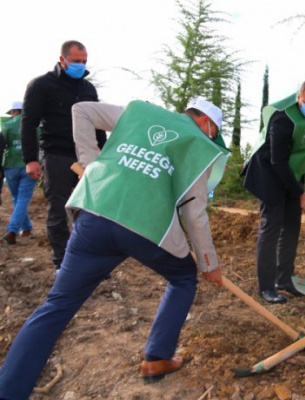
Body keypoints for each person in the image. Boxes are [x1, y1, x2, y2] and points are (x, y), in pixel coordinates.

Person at [0, 98, 230, 399]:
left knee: (56, 306)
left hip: (94, 218)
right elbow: (194, 212)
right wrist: (208, 263)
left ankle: (8, 390)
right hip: (144, 229)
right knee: (184, 276)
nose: (210, 138)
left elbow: (80, 110)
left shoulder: (139, 113)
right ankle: (157, 357)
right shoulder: (198, 144)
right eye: (213, 133)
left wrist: (93, 165)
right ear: (205, 123)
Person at [20, 40, 106, 274]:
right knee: (59, 211)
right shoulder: (41, 85)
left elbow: (98, 125)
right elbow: (29, 123)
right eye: (76, 61)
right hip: (56, 155)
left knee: (90, 212)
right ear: (63, 60)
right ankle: (63, 264)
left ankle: (89, 261)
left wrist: (105, 155)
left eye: (84, 62)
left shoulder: (88, 89)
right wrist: (31, 159)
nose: (81, 65)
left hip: (86, 158)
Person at [242, 79, 305, 304]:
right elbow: (277, 161)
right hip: (268, 170)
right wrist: (299, 193)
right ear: (298, 98)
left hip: (290, 170)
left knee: (291, 226)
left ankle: (284, 279)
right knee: (271, 227)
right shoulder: (282, 119)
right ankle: (266, 288)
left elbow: (302, 144)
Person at [1, 101, 38, 244]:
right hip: (30, 165)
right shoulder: (35, 126)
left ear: (14, 111)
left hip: (10, 166)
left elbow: (1, 147)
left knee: (17, 198)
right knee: (21, 199)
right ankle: (19, 229)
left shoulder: (6, 125)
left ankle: (19, 229)